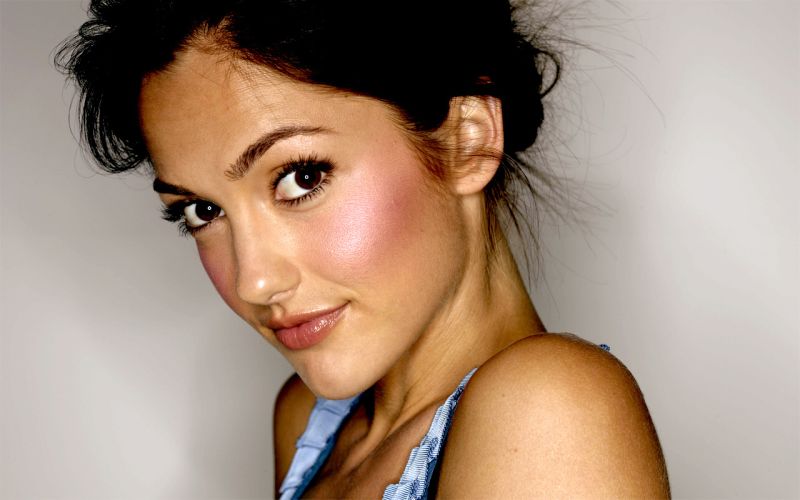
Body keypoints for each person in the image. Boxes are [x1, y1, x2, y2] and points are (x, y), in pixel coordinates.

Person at [56, 0, 669, 497]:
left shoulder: (552, 408)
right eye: (203, 211)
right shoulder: (310, 423)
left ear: (468, 139)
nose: (254, 282)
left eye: (301, 178)